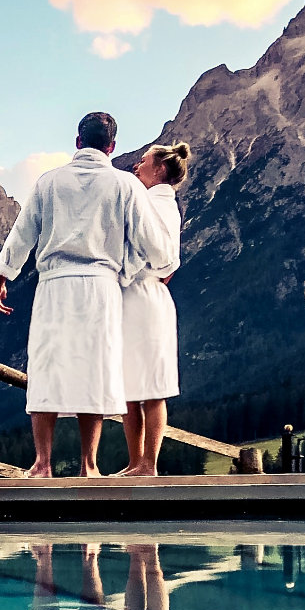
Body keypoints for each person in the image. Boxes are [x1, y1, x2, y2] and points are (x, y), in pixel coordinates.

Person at [0, 112, 176, 477]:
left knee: (46, 369)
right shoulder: (125, 186)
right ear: (112, 147)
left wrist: (3, 274)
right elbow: (158, 249)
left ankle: (42, 464)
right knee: (97, 369)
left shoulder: (48, 182)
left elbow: (22, 233)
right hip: (102, 287)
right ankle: (88, 466)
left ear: (78, 141)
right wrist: (153, 264)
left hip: (54, 285)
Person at [117, 143, 189, 477]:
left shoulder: (156, 205)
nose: (136, 165)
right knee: (132, 384)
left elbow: (160, 255)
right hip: (139, 296)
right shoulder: (161, 205)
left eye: (143, 161)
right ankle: (137, 462)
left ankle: (148, 463)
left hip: (143, 294)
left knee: (151, 385)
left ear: (160, 169)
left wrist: (124, 270)